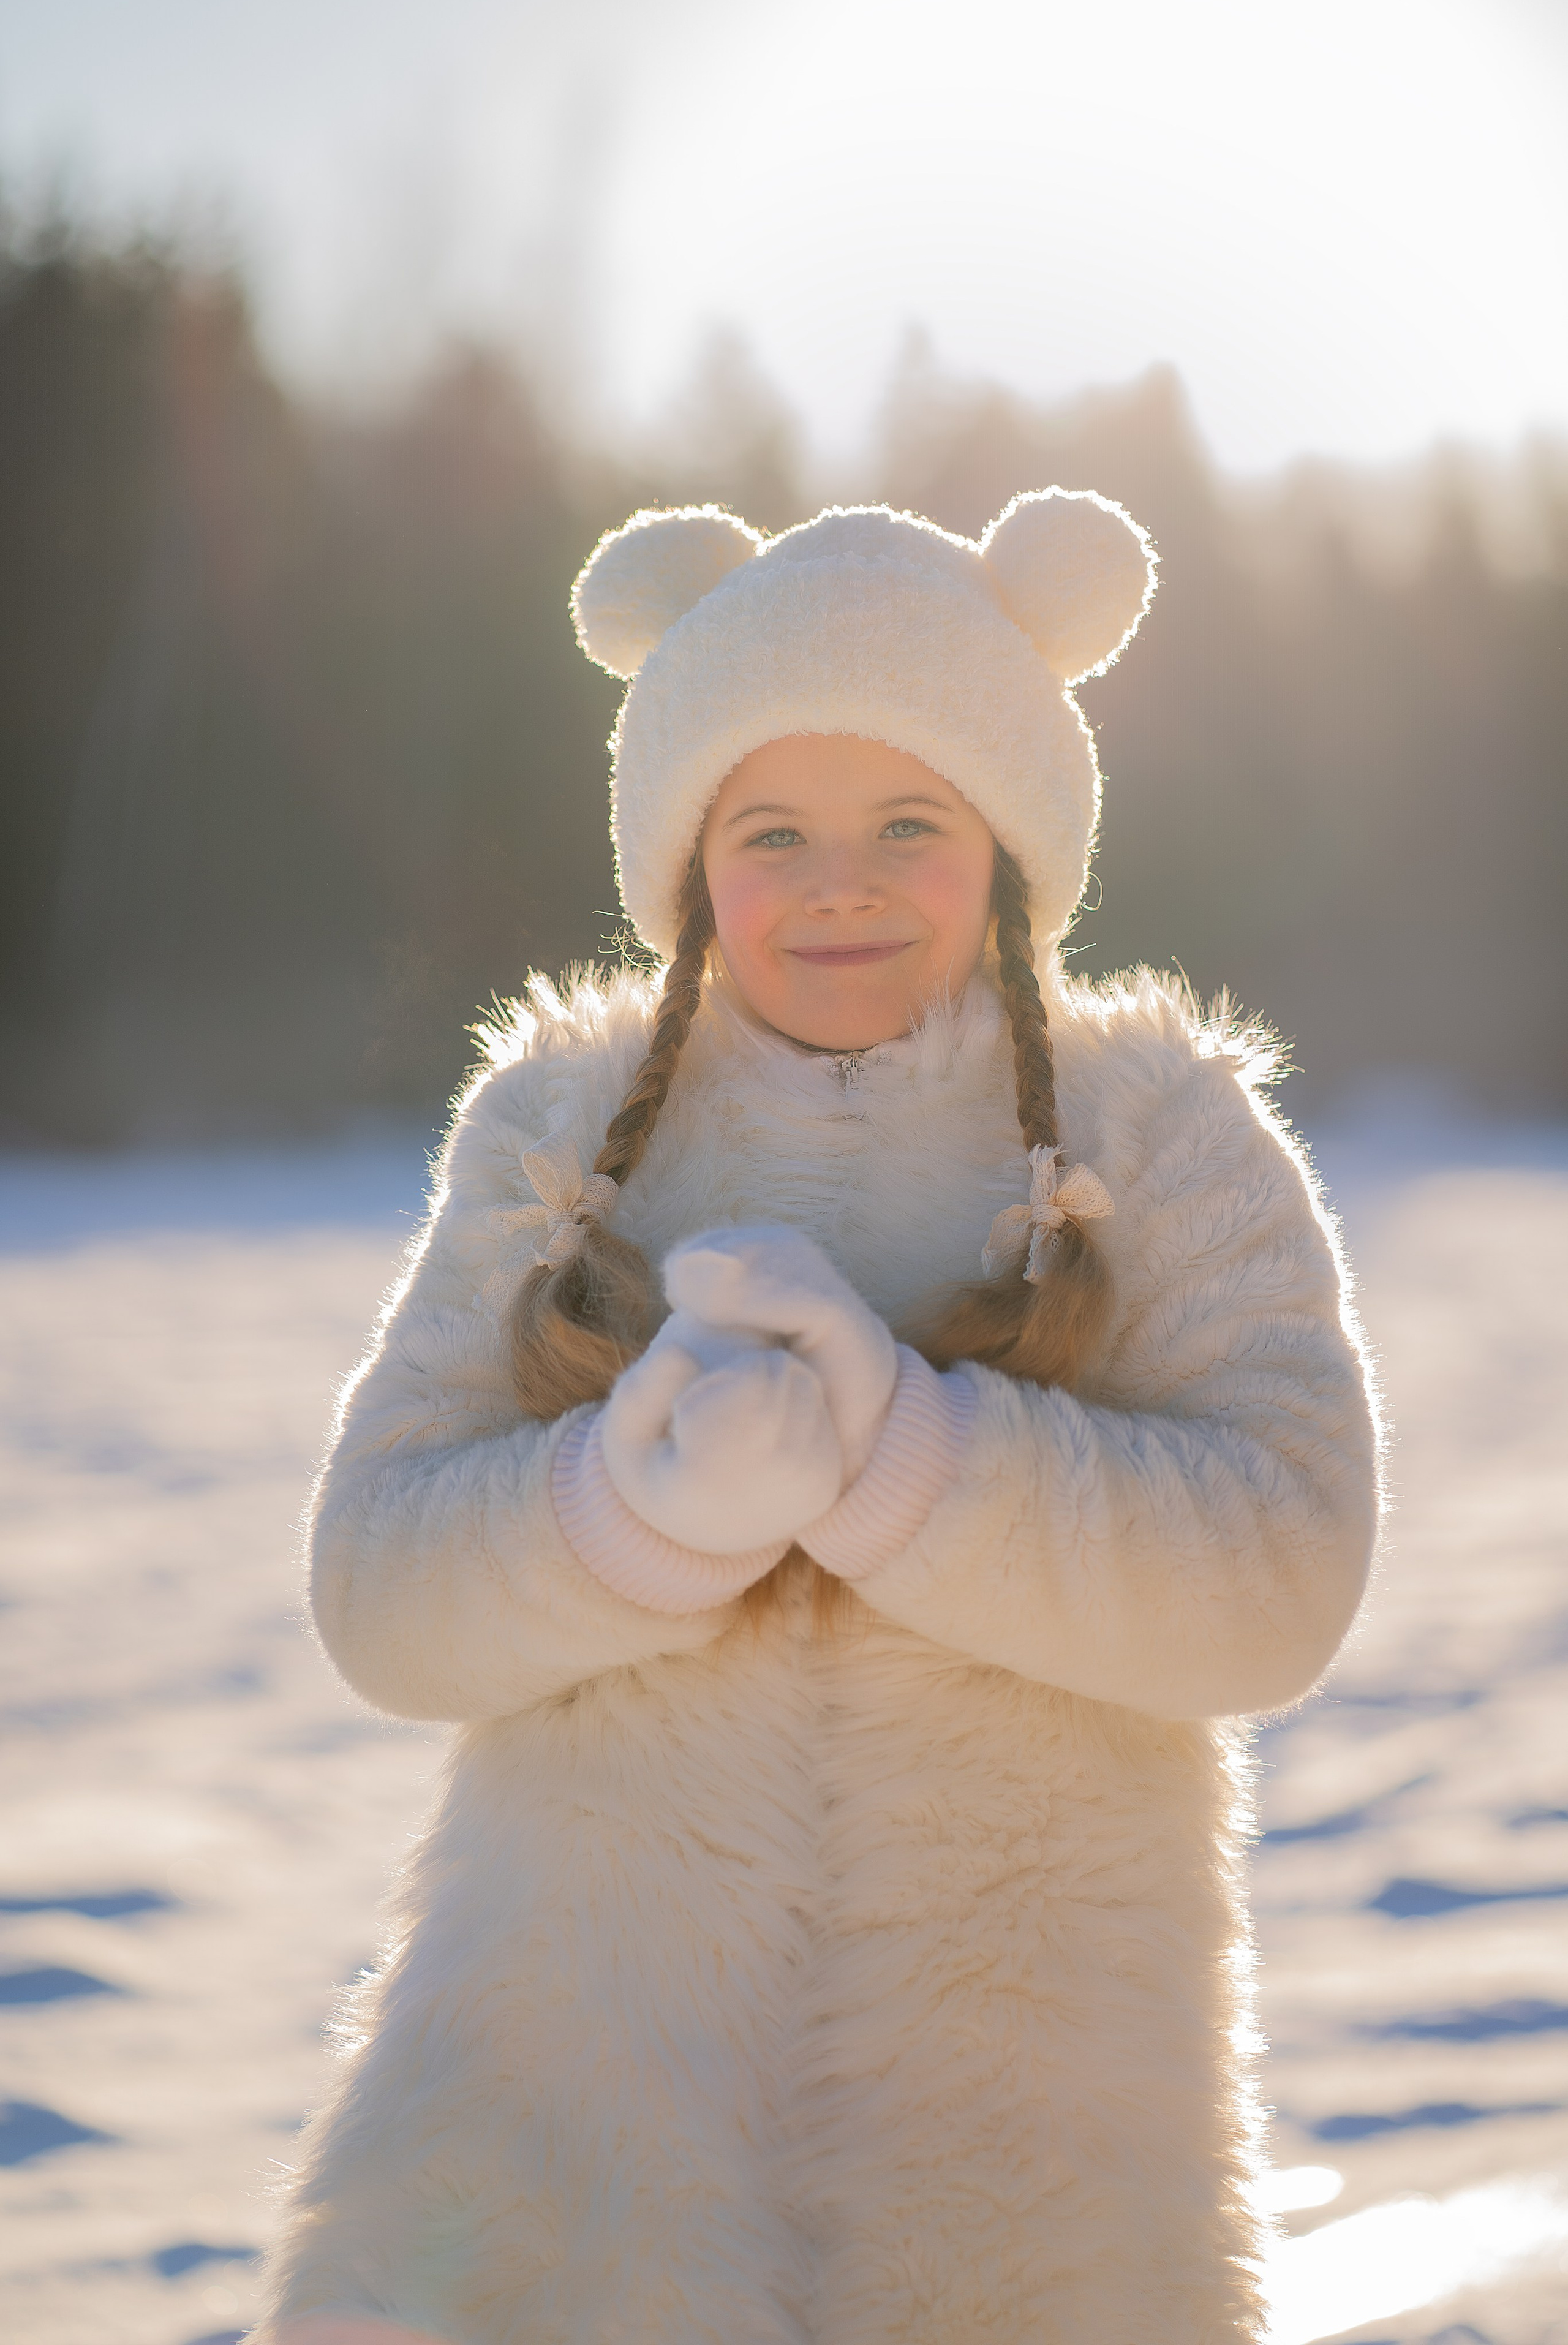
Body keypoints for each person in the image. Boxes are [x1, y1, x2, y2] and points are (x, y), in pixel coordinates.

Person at [257, 493, 1379, 2345]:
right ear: (692, 869)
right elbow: (380, 1587)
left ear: (1012, 850)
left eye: (909, 823)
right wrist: (633, 1512)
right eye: (773, 830)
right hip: (568, 2158)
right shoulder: (557, 1133)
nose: (839, 880)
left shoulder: (1165, 1135)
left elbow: (1283, 1572)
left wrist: (905, 1464)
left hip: (1034, 2163)